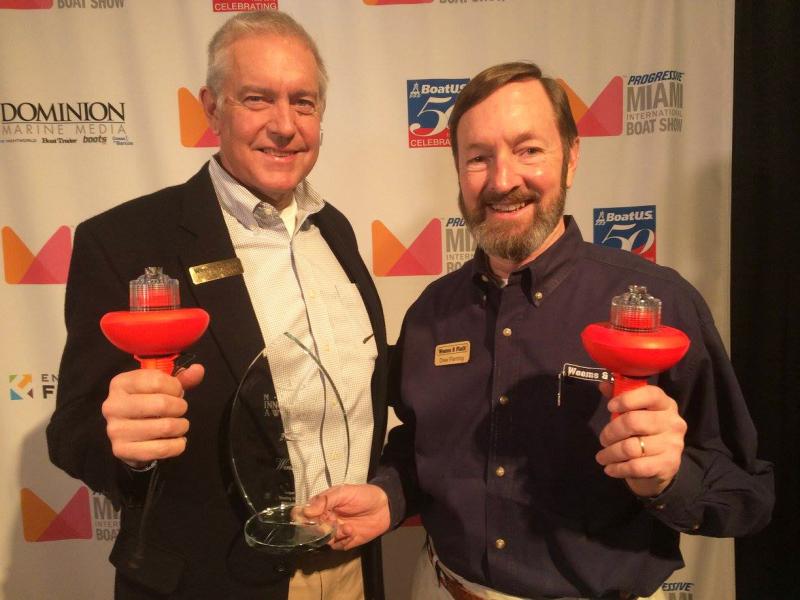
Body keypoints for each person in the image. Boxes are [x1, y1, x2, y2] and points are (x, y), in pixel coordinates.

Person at [304, 62, 774, 600]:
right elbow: (421, 448)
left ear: (571, 158)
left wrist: (669, 479)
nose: (503, 181)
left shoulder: (659, 305)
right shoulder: (431, 313)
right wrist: (388, 494)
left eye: (529, 150)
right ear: (458, 170)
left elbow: (746, 493)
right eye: (479, 157)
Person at [46, 10, 387, 600]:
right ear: (211, 106)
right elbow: (73, 430)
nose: (285, 125)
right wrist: (126, 447)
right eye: (257, 98)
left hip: (348, 568)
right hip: (211, 581)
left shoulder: (336, 230)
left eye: (303, 103)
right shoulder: (125, 240)